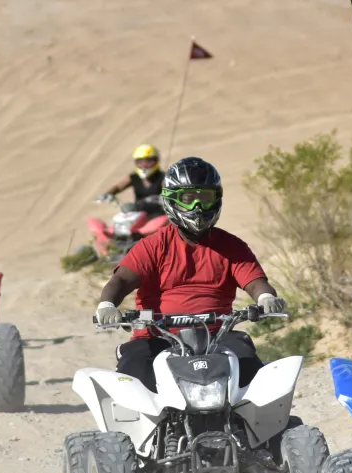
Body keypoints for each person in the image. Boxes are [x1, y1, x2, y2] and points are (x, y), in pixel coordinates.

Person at [95, 156, 287, 392]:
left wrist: (266, 298)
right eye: (188, 199)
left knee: (253, 377)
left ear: (216, 200)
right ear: (171, 201)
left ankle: (259, 429)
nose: (197, 207)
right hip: (155, 335)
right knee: (133, 382)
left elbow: (256, 282)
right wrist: (107, 304)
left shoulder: (232, 246)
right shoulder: (152, 245)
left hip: (218, 336)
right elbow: (121, 279)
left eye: (205, 198)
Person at [99, 144, 165, 215]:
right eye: (140, 162)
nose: (144, 165)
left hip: (159, 214)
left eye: (149, 161)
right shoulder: (134, 177)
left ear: (156, 161)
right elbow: (118, 187)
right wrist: (108, 194)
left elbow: (168, 190)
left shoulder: (163, 177)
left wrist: (162, 198)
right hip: (139, 214)